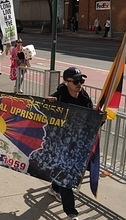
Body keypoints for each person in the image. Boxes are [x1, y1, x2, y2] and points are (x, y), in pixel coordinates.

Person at [46, 67, 93, 220]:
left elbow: (91, 121)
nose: (80, 84)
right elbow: (45, 112)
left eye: (82, 80)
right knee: (66, 176)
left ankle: (54, 188)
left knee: (63, 173)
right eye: (76, 81)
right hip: (59, 142)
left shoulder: (84, 98)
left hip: (77, 142)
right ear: (66, 82)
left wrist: (101, 120)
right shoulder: (58, 96)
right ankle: (71, 212)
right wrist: (48, 103)